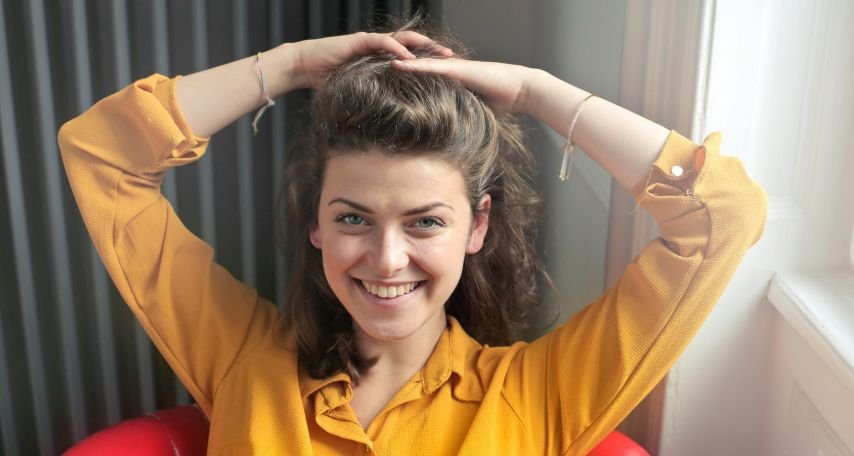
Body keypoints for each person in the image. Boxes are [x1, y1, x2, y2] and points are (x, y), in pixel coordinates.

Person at [58, 20, 767, 455]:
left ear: (476, 226)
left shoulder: (541, 394)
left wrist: (534, 91)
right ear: (314, 223)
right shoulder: (241, 356)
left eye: (425, 221)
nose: (386, 258)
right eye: (352, 218)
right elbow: (101, 152)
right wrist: (292, 64)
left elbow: (723, 212)